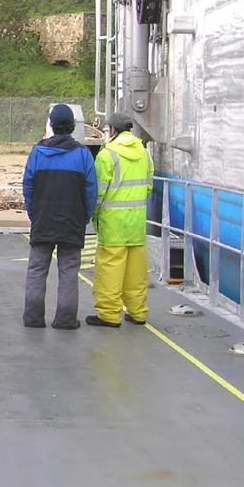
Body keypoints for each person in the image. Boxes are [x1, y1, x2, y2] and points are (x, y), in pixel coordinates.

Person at [21, 104, 97, 329]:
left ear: (51, 126)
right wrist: (84, 216)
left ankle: (33, 318)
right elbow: (91, 191)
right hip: (72, 221)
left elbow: (28, 186)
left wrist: (34, 214)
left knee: (37, 270)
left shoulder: (37, 152)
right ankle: (65, 319)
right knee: (69, 271)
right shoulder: (83, 155)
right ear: (73, 127)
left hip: (43, 220)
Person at [86, 112, 155, 328]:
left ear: (113, 131)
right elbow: (148, 186)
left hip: (113, 223)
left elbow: (98, 192)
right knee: (136, 272)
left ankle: (108, 314)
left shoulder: (107, 155)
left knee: (110, 270)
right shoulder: (144, 153)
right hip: (136, 222)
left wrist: (94, 216)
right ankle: (138, 312)